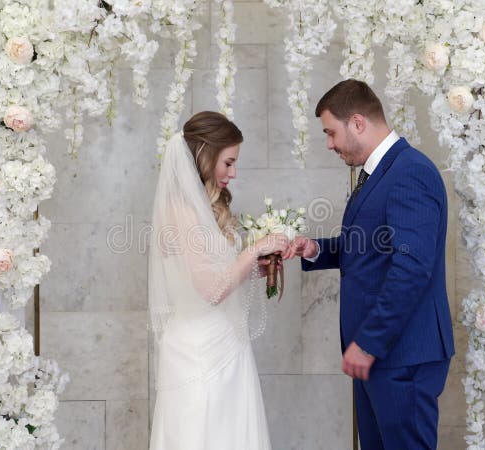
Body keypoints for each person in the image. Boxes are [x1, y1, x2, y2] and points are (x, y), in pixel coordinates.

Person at [283, 80, 455, 449]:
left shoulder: (410, 172)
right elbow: (373, 247)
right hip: (380, 356)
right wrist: (315, 249)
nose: (329, 143)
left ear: (357, 122)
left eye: (331, 132)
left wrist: (369, 343)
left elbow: (411, 268)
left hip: (400, 356)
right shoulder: (381, 172)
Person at [148, 111, 287, 450]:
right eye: (228, 162)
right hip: (197, 351)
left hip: (226, 342)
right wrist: (253, 249)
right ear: (204, 156)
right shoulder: (179, 211)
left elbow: (221, 275)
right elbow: (211, 290)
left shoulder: (204, 209)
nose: (233, 173)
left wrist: (263, 265)